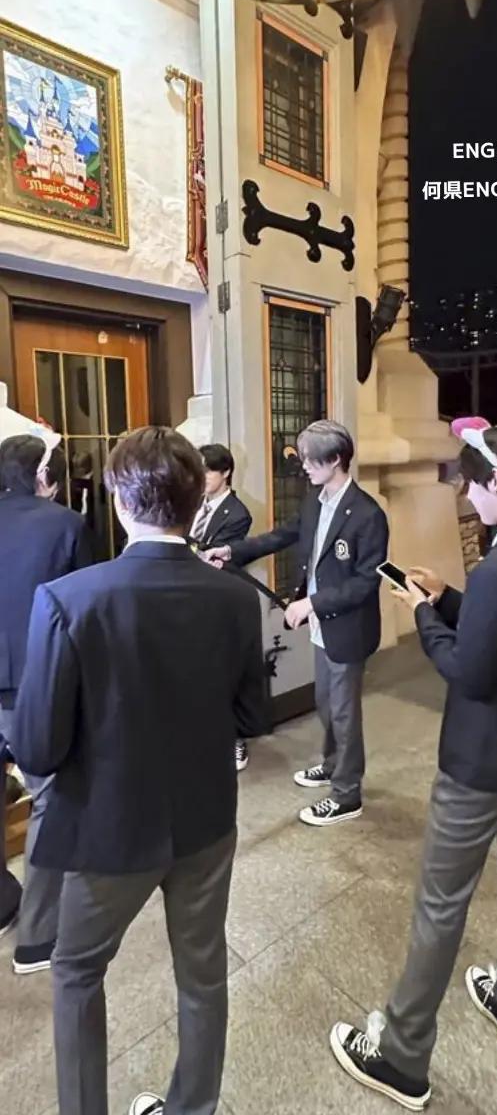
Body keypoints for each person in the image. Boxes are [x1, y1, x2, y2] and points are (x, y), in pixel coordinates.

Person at [11, 426, 264, 1115]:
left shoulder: (68, 599)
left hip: (108, 827)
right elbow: (251, 715)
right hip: (205, 817)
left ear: (120, 502)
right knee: (203, 974)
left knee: (76, 970)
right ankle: (192, 1107)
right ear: (195, 501)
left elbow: (36, 748)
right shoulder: (234, 597)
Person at [329, 421, 497, 1109]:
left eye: (471, 483)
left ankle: (402, 1054)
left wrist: (423, 615)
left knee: (441, 903)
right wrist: (446, 596)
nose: (467, 496)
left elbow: (470, 669)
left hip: (480, 762)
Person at [204, 420, 388, 828]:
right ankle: (332, 764)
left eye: (310, 459)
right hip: (323, 625)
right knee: (326, 702)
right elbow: (280, 536)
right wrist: (231, 551)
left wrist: (311, 603)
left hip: (347, 628)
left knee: (343, 713)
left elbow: (365, 582)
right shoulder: (315, 501)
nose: (303, 465)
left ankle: (347, 794)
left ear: (335, 459)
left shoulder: (368, 514)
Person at [0, 434, 92, 969]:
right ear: (42, 477)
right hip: (31, 687)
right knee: (49, 797)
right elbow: (83, 613)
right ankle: (37, 937)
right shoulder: (65, 525)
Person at [190, 443, 253, 771]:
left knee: (226, 673)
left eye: (208, 471)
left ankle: (237, 739)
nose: (201, 478)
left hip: (219, 599)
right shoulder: (192, 504)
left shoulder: (238, 513)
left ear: (225, 472)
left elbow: (217, 556)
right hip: (190, 598)